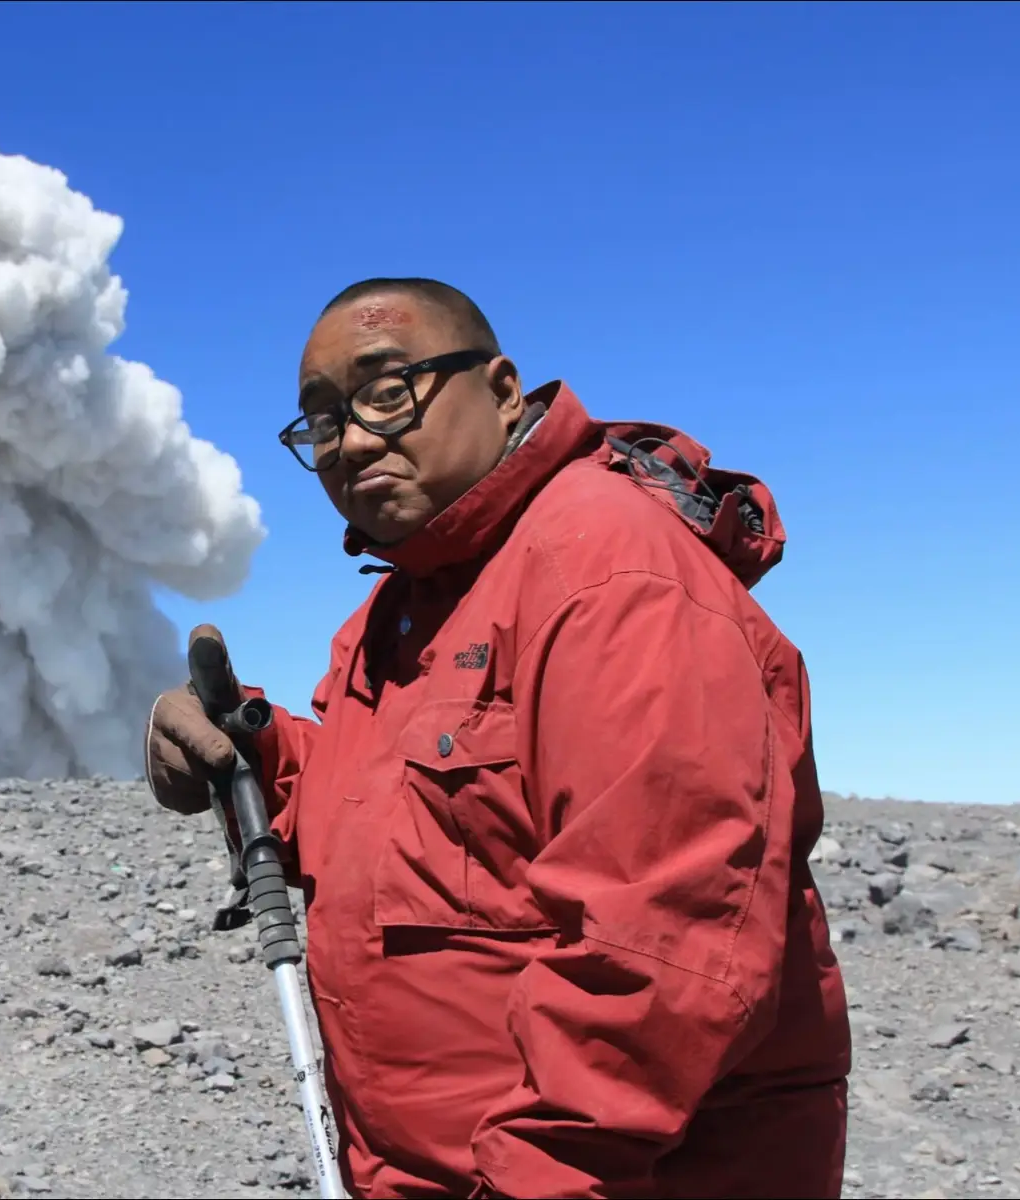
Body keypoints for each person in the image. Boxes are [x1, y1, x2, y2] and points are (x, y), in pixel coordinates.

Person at [144, 279, 852, 1200]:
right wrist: (257, 748)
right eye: (320, 422)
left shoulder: (607, 578)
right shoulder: (405, 611)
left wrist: (529, 1183)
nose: (353, 439)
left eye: (387, 392)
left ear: (504, 388)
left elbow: (660, 949)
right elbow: (417, 824)